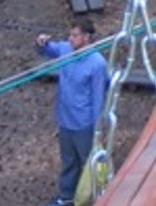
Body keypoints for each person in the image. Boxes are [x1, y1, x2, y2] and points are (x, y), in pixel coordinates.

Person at [35, 21, 110, 206]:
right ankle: (66, 196)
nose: (70, 39)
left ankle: (100, 197)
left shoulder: (97, 63)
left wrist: (98, 128)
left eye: (75, 35)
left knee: (90, 162)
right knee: (69, 160)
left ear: (86, 37)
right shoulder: (65, 49)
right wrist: (41, 43)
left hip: (84, 123)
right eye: (70, 35)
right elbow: (47, 50)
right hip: (65, 120)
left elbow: (98, 98)